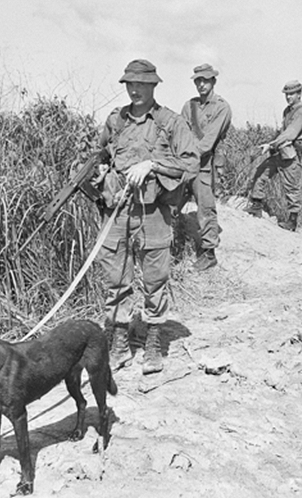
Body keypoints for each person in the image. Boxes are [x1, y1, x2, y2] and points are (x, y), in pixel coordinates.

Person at [93, 59, 198, 375]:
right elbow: (101, 153)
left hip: (153, 212)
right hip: (118, 212)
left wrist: (152, 165)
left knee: (155, 280)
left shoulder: (171, 122)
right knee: (115, 279)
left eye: (141, 84)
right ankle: (121, 343)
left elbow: (190, 164)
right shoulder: (117, 121)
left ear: (154, 86)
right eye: (130, 84)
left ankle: (153, 343)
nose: (135, 90)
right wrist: (101, 171)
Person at [180, 63, 233, 271]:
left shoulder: (222, 107)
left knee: (205, 209)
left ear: (213, 82)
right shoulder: (189, 106)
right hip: (185, 164)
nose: (201, 84)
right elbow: (180, 132)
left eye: (205, 80)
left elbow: (208, 142)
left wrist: (186, 156)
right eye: (198, 81)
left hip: (204, 164)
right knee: (171, 203)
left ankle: (209, 253)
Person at [244, 79, 302, 231]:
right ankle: (256, 205)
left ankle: (292, 221)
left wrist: (271, 145)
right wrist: (272, 144)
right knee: (261, 172)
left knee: (291, 187)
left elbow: (290, 134)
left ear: (299, 94)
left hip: (292, 154)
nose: (288, 97)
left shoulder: (301, 112)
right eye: (287, 94)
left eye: (292, 94)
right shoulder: (288, 111)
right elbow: (283, 132)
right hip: (282, 151)